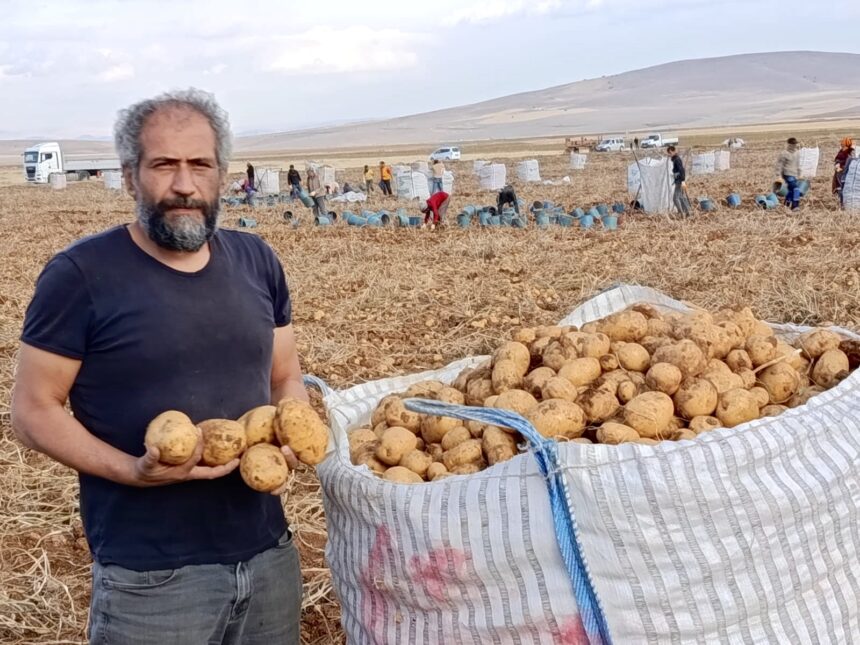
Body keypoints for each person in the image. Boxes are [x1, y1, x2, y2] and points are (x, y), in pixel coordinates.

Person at [11, 89, 306, 645]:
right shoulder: (80, 275)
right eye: (164, 165)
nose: (184, 185)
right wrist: (133, 470)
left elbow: (285, 376)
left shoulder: (257, 260)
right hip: (151, 580)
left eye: (201, 165)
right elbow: (31, 412)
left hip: (268, 556)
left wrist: (293, 430)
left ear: (222, 175)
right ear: (130, 177)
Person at [775, 137, 801, 210]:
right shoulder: (784, 153)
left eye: (795, 144)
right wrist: (778, 176)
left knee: (791, 190)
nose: (795, 145)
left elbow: (798, 164)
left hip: (795, 174)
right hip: (787, 174)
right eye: (793, 144)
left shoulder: (797, 153)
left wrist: (800, 174)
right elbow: (779, 165)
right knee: (796, 189)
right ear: (789, 144)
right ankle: (795, 206)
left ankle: (786, 204)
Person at [667, 145, 691, 216]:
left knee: (675, 198)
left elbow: (681, 170)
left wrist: (683, 181)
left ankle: (681, 213)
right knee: (680, 197)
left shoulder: (677, 159)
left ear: (674, 151)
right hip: (679, 180)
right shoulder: (675, 159)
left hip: (679, 181)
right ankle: (687, 212)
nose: (669, 154)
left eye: (670, 152)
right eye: (669, 153)